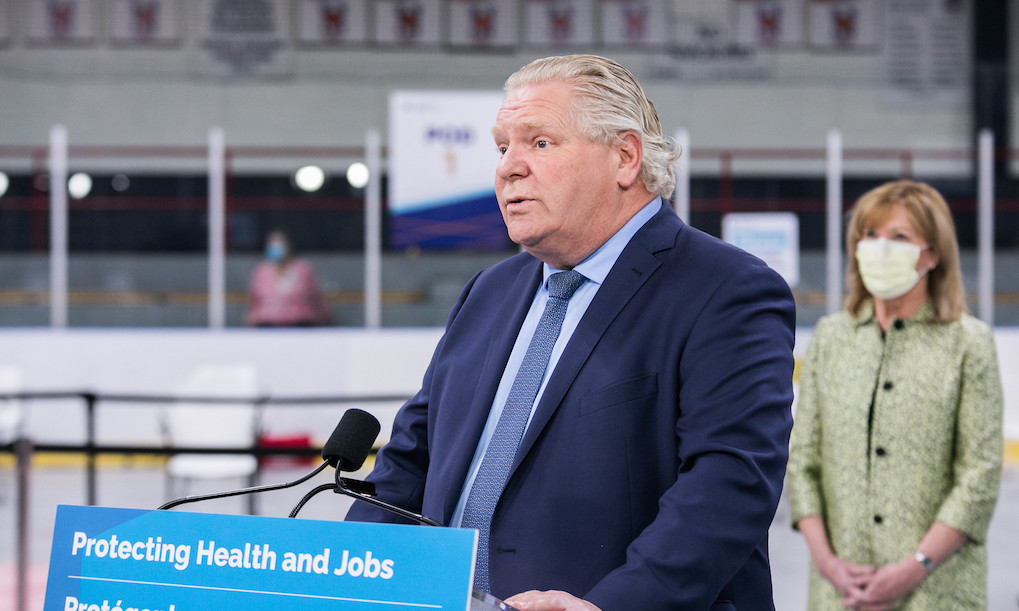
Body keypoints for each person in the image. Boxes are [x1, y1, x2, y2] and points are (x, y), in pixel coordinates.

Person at [346, 54, 796, 610]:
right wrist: (351, 569)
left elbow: (729, 485)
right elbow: (412, 458)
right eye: (501, 147)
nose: (509, 167)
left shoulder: (726, 289)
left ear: (625, 157)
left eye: (539, 143)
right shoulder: (489, 290)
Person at [787, 180, 1003, 611]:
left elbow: (979, 474)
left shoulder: (968, 343)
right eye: (869, 235)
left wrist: (914, 567)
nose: (879, 248)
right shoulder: (831, 338)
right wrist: (829, 564)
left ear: (933, 253)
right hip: (840, 592)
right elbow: (803, 460)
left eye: (899, 237)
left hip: (937, 592)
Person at [245, 230, 332, 327]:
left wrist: (324, 318)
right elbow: (254, 301)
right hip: (268, 326)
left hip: (300, 325)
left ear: (288, 246)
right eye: (272, 244)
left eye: (279, 243)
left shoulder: (303, 269)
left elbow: (316, 297)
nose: (275, 247)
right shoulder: (262, 272)